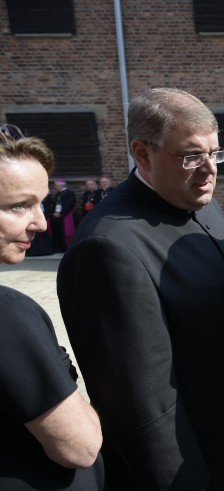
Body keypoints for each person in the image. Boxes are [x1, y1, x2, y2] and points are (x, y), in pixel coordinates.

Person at [56, 88, 224, 490]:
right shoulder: (106, 249)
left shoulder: (198, 200)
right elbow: (145, 412)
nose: (209, 170)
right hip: (198, 465)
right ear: (142, 153)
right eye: (191, 156)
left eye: (215, 153)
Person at [0, 123, 104, 489]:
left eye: (40, 203)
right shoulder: (8, 314)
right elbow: (80, 447)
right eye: (18, 206)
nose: (41, 223)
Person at [51, 177, 76, 252]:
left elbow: (70, 205)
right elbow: (55, 205)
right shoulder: (58, 194)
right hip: (58, 216)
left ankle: (67, 248)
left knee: (66, 232)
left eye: (56, 185)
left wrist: (61, 213)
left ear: (61, 185)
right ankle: (60, 248)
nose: (55, 187)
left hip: (67, 215)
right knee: (59, 232)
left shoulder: (70, 193)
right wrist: (55, 213)